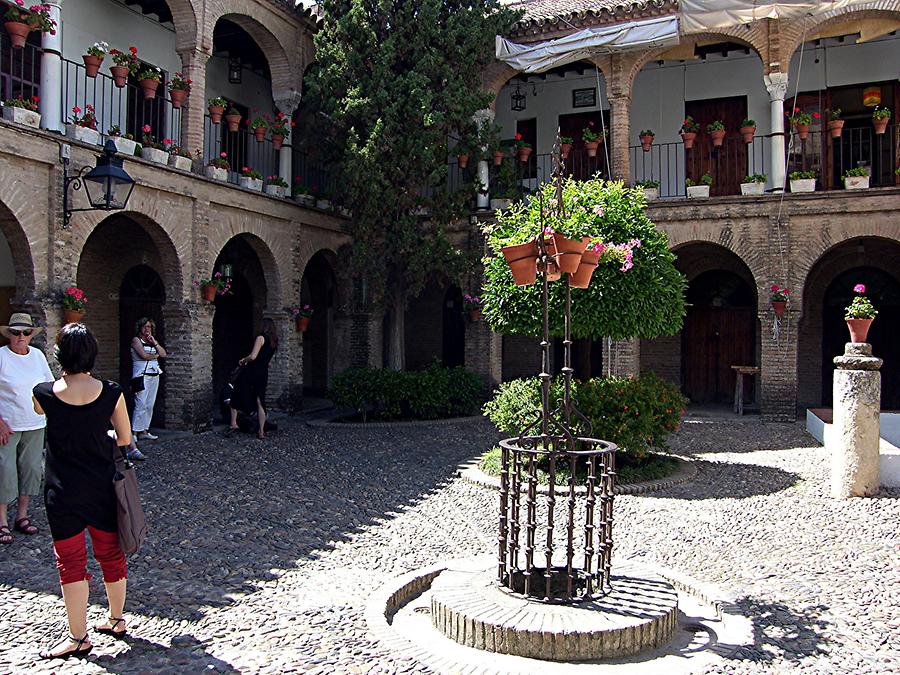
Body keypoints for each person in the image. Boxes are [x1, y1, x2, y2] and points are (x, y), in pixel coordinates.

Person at [33, 323, 133, 659]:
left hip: (61, 491)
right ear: (92, 353)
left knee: (70, 563)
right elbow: (124, 439)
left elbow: (38, 410)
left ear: (60, 355)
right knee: (110, 554)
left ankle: (78, 637)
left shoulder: (43, 393)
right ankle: (116, 619)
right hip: (102, 487)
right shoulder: (111, 392)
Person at [0, 313, 53, 546]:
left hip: (35, 423)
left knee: (31, 469)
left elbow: (49, 386)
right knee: (4, 470)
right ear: (9, 334)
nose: (20, 337)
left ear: (31, 335)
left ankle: (22, 515)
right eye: (15, 332)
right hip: (8, 425)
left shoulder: (38, 356)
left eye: (25, 332)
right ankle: (1, 520)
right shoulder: (1, 356)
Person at [227, 317, 278, 440]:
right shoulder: (274, 341)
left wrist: (243, 360)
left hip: (252, 371)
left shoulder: (261, 338)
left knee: (236, 393)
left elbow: (253, 356)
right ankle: (261, 431)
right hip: (263, 373)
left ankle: (233, 423)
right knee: (260, 400)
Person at [129, 317, 166, 461]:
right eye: (145, 327)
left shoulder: (152, 341)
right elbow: (143, 356)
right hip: (141, 375)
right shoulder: (136, 340)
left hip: (154, 374)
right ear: (140, 328)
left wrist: (154, 343)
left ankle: (144, 429)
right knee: (141, 403)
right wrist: (154, 355)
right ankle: (134, 432)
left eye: (149, 327)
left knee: (150, 404)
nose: (147, 330)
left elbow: (163, 354)